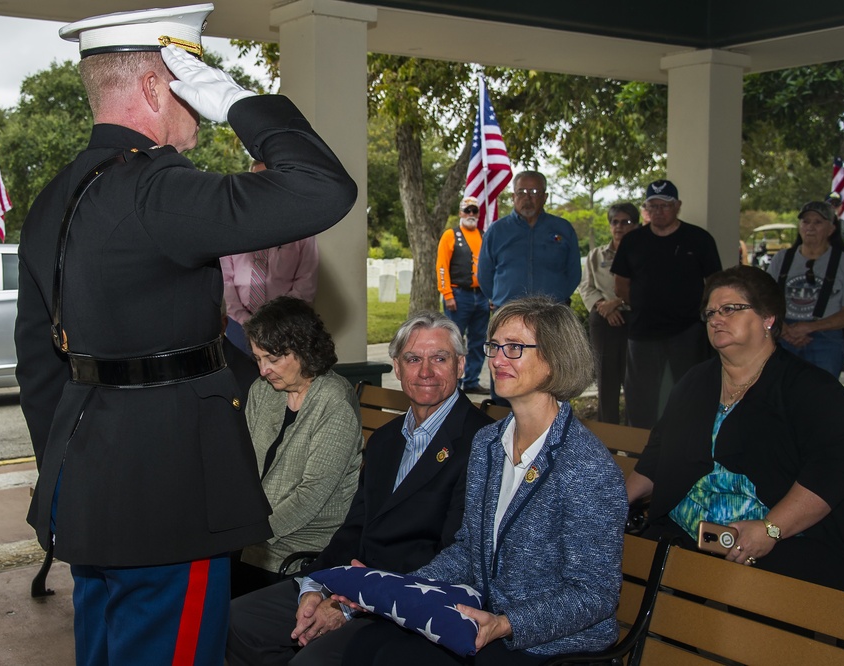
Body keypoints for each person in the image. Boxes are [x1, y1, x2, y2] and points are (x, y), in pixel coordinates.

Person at [14, 5, 357, 664]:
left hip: (90, 490)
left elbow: (39, 364)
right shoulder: (158, 189)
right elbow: (323, 189)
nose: (198, 108)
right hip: (169, 492)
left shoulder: (56, 196)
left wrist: (67, 474)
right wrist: (240, 103)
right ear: (153, 87)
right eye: (191, 82)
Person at [341, 297, 628, 665]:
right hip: (484, 621)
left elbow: (594, 594)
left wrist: (506, 623)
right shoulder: (489, 443)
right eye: (494, 346)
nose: (496, 360)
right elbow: (468, 551)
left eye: (514, 348)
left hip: (554, 647)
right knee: (365, 650)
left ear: (555, 360)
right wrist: (393, 589)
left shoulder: (586, 466)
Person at [227, 312, 493, 666]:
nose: (425, 371)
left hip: (410, 600)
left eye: (439, 359)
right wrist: (315, 587)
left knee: (312, 662)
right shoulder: (386, 440)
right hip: (352, 581)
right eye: (413, 359)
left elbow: (457, 556)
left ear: (461, 365)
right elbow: (355, 527)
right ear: (396, 367)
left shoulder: (483, 443)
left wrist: (353, 603)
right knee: (236, 622)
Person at [626, 266, 844, 591]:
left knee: (765, 600)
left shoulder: (810, 388)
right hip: (687, 533)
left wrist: (771, 529)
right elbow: (657, 456)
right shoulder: (695, 382)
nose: (716, 319)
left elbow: (834, 469)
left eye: (730, 309)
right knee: (635, 577)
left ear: (768, 317)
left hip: (782, 539)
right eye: (711, 313)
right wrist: (615, 504)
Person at [233, 296, 363, 597]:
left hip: (301, 552)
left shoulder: (333, 402)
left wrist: (251, 533)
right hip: (253, 541)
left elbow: (310, 496)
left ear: (304, 350)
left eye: (273, 359)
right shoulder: (263, 392)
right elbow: (244, 467)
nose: (263, 370)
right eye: (258, 358)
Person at [612, 179, 722, 428]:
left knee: (691, 395)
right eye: (653, 206)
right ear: (646, 209)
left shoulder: (699, 239)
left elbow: (714, 283)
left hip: (688, 331)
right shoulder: (633, 241)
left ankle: (688, 450)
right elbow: (621, 285)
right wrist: (645, 306)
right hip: (643, 332)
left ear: (678, 206)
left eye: (666, 205)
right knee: (640, 401)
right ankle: (637, 454)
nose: (659, 211)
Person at [221, 159, 320, 355]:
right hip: (238, 325)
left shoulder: (301, 228)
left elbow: (306, 283)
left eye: (270, 180)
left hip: (286, 324)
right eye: (258, 181)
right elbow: (226, 280)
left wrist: (276, 319)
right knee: (241, 379)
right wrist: (245, 319)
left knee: (283, 381)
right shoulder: (232, 226)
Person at [767, 201, 844, 378]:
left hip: (826, 339)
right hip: (783, 335)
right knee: (778, 395)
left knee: (821, 396)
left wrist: (808, 327)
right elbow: (764, 300)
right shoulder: (782, 259)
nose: (810, 227)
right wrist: (783, 327)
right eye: (806, 221)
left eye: (818, 222)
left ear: (831, 229)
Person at [478, 171, 581, 309]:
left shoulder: (563, 229)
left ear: (544, 197)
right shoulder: (496, 231)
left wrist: (557, 300)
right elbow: (485, 277)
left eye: (534, 192)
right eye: (521, 192)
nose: (527, 198)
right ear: (513, 196)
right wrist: (504, 301)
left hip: (552, 313)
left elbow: (574, 273)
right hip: (509, 313)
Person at [578, 203, 639, 423]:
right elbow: (587, 287)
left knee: (633, 382)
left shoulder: (643, 253)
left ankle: (634, 440)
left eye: (626, 222)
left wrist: (618, 302)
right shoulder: (597, 255)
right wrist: (605, 307)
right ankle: (608, 440)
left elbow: (646, 287)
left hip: (634, 319)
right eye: (615, 222)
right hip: (603, 320)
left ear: (636, 225)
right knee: (606, 381)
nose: (620, 227)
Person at [436, 195, 491, 394]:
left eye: (474, 211)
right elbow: (442, 266)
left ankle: (471, 380)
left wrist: (491, 295)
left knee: (478, 341)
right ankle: (453, 383)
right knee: (454, 342)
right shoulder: (451, 235)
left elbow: (490, 267)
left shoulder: (484, 235)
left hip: (482, 296)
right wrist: (447, 294)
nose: (470, 214)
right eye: (467, 210)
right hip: (459, 296)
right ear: (460, 213)